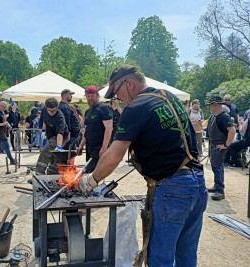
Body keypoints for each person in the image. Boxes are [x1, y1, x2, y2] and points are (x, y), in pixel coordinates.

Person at [78, 64, 207, 267]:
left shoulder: (136, 107)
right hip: (197, 183)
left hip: (172, 188)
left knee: (159, 261)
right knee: (187, 257)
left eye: (117, 92)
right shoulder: (169, 97)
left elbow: (114, 156)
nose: (117, 98)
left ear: (129, 84)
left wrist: (91, 180)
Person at [76, 85, 113, 173]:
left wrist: (104, 148)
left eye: (92, 96)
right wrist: (81, 145)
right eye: (88, 96)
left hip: (99, 146)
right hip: (89, 146)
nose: (90, 98)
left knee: (91, 171)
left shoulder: (103, 108)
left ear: (97, 95)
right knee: (90, 170)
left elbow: (109, 128)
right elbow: (86, 130)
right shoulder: (88, 111)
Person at [206, 95, 236, 201]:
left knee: (217, 167)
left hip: (219, 145)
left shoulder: (224, 116)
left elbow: (232, 131)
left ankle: (219, 190)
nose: (209, 106)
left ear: (216, 104)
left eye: (211, 104)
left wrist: (226, 145)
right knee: (218, 167)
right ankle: (217, 186)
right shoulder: (215, 115)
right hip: (214, 144)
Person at [35, 97, 69, 175]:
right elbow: (44, 120)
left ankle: (39, 173)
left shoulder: (60, 117)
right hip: (50, 135)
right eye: (49, 110)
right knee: (53, 155)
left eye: (53, 111)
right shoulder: (44, 110)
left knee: (45, 151)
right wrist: (43, 131)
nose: (51, 112)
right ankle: (52, 175)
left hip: (61, 137)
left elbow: (60, 133)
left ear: (57, 108)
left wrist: (59, 145)